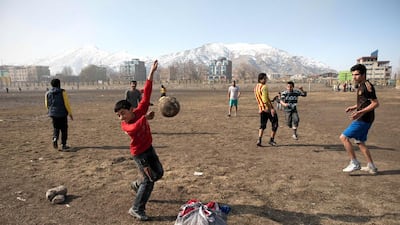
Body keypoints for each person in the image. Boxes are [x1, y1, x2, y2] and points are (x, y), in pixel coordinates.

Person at [114, 60, 164, 221]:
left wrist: (151, 72)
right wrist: (146, 118)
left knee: (159, 173)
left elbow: (147, 93)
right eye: (118, 115)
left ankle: (137, 185)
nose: (121, 117)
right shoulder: (125, 125)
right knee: (149, 180)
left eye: (123, 113)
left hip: (149, 148)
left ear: (131, 109)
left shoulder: (139, 110)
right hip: (140, 155)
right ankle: (136, 209)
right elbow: (134, 128)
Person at [340, 64, 379, 174]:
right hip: (364, 118)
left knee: (343, 137)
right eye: (353, 75)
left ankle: (354, 163)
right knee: (360, 142)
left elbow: (375, 103)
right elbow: (364, 102)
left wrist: (360, 112)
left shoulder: (367, 86)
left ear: (363, 74)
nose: (354, 77)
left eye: (356, 74)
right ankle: (371, 166)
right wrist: (353, 107)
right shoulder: (361, 85)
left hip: (363, 119)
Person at [45, 78, 73, 151]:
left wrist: (49, 111)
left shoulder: (47, 93)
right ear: (59, 84)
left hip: (53, 114)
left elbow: (46, 104)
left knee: (56, 128)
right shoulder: (63, 92)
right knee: (64, 129)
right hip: (62, 114)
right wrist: (70, 113)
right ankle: (63, 145)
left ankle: (55, 138)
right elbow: (66, 104)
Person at [254, 73, 278, 146]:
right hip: (267, 109)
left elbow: (260, 99)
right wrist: (271, 109)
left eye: (266, 78)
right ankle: (271, 140)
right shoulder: (264, 87)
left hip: (261, 109)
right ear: (260, 79)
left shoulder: (256, 87)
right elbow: (264, 100)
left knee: (262, 125)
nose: (266, 80)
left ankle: (259, 140)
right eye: (264, 78)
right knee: (275, 124)